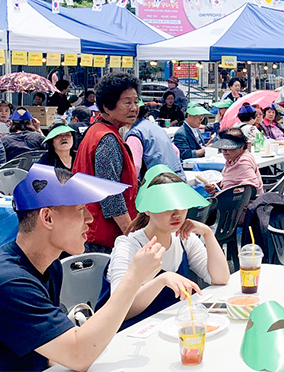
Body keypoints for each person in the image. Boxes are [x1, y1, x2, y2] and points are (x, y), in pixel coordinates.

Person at [0, 164, 166, 372]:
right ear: (47, 217)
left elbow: (55, 348)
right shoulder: (6, 282)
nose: (89, 219)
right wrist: (133, 278)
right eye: (81, 210)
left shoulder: (49, 267)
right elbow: (78, 355)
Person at [101, 165, 230, 327]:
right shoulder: (128, 245)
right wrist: (161, 280)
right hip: (131, 336)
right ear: (147, 210)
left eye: (181, 205)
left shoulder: (183, 237)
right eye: (166, 206)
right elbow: (120, 310)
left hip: (172, 328)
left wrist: (208, 234)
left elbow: (220, 278)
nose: (177, 214)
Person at [73, 71, 141, 253]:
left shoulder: (97, 131)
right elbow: (110, 196)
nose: (134, 108)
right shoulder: (107, 139)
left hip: (91, 229)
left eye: (136, 101)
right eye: (127, 102)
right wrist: (133, 237)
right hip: (103, 237)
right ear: (107, 107)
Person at [126, 101, 185, 180]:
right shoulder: (157, 128)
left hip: (158, 185)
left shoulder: (135, 134)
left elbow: (135, 167)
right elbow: (176, 151)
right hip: (177, 178)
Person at [209, 129, 264, 196]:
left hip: (243, 204)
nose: (224, 151)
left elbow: (250, 189)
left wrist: (226, 193)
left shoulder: (243, 162)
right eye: (222, 147)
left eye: (229, 148)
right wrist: (214, 186)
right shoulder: (232, 159)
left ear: (241, 147)